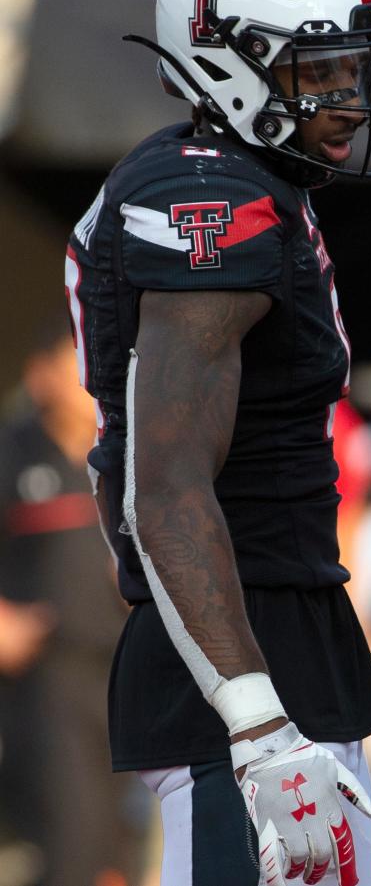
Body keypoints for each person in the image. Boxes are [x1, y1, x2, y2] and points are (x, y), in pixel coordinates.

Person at [64, 0, 371, 882]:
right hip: (241, 672)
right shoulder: (204, 192)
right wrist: (257, 722)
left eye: (362, 62)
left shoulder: (242, 178)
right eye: (325, 67)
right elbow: (165, 484)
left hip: (277, 638)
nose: (356, 94)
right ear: (230, 55)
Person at [0, 328, 142, 886]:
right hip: (49, 676)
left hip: (128, 674)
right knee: (72, 841)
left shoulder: (126, 458)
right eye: (74, 368)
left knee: (121, 847)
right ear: (43, 376)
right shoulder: (13, 452)